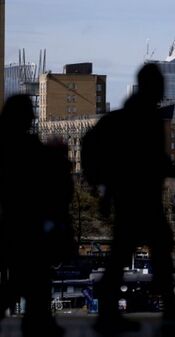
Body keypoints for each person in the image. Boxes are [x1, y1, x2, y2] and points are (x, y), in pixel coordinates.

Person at [81, 63, 175, 334]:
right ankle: (163, 307)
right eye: (159, 85)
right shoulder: (143, 119)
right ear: (152, 86)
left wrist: (104, 190)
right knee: (146, 248)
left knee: (134, 249)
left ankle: (117, 310)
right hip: (137, 197)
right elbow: (152, 160)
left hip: (131, 196)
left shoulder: (127, 117)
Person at [0, 95, 74, 337]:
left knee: (26, 277)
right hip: (27, 227)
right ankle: (39, 321)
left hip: (12, 225)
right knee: (33, 278)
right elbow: (56, 183)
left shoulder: (10, 146)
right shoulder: (28, 148)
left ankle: (39, 320)